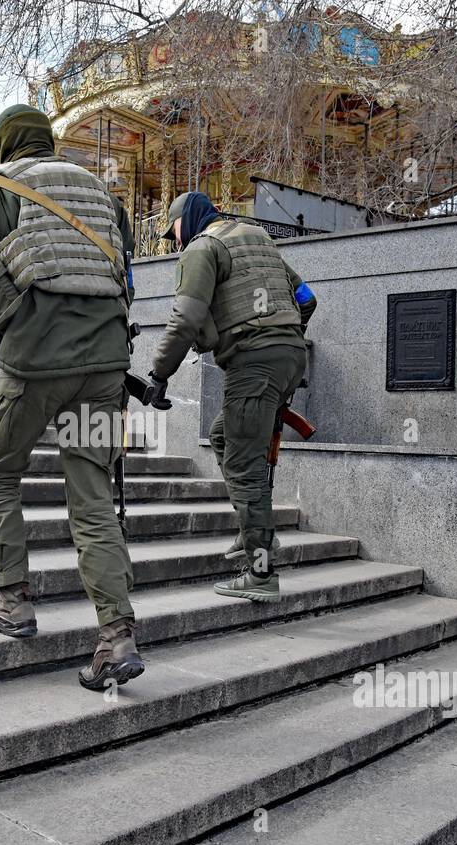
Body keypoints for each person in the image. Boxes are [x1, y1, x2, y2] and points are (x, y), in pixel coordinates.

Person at [0, 104, 143, 691]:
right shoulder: (100, 192)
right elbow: (126, 272)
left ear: (4, 143)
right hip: (104, 368)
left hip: (34, 362)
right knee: (92, 499)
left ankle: (12, 602)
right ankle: (116, 637)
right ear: (47, 141)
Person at [146, 191, 317, 603]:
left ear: (186, 220)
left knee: (244, 464)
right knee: (225, 438)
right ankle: (252, 529)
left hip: (254, 363)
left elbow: (186, 318)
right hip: (289, 357)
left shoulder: (204, 248)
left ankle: (260, 572)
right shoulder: (256, 238)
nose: (176, 244)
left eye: (174, 234)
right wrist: (284, 337)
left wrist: (157, 373)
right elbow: (307, 299)